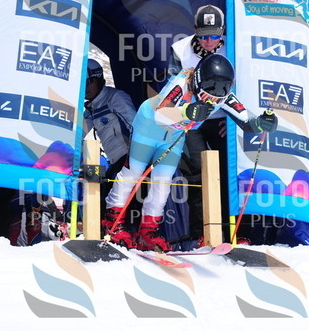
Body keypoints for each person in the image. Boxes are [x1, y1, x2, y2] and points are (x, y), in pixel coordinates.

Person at [103, 54, 278, 251]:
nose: (213, 97)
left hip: (173, 137)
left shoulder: (224, 96)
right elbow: (161, 113)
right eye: (209, 88)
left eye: (221, 91)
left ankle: (148, 231)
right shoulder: (181, 84)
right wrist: (186, 111)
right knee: (133, 172)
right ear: (198, 81)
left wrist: (262, 123)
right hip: (148, 128)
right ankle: (113, 223)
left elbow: (247, 121)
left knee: (163, 181)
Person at [169, 4, 230, 241]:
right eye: (203, 36)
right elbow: (172, 88)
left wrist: (233, 119)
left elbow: (246, 83)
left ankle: (232, 232)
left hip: (222, 118)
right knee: (197, 173)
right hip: (192, 118)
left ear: (222, 31)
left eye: (215, 36)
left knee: (227, 172)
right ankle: (201, 234)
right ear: (195, 30)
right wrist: (185, 114)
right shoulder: (180, 49)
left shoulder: (234, 45)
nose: (209, 41)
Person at [83, 58, 136, 189]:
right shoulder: (91, 108)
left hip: (129, 161)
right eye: (81, 84)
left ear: (99, 79)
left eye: (88, 82)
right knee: (91, 180)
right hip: (113, 163)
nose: (85, 88)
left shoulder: (115, 98)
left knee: (111, 197)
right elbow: (77, 135)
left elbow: (136, 128)